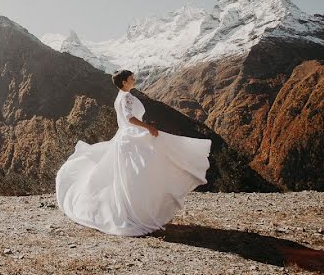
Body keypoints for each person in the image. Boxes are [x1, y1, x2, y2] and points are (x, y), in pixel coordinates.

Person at [55, 69, 212, 236]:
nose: (134, 79)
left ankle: (132, 210)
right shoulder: (126, 97)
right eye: (131, 78)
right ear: (124, 82)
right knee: (140, 171)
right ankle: (137, 210)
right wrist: (148, 127)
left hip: (126, 137)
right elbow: (129, 118)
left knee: (129, 176)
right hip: (131, 137)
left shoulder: (121, 96)